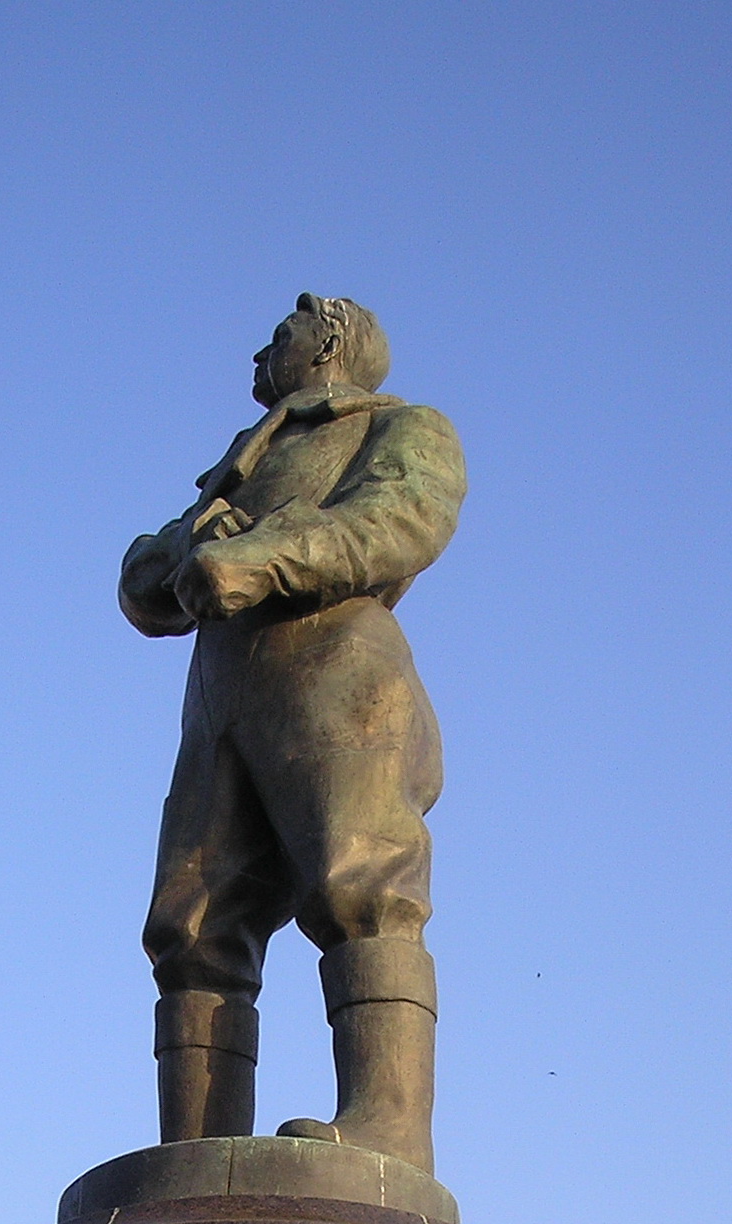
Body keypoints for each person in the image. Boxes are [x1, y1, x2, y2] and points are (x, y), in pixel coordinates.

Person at [119, 294, 467, 1174]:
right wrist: (196, 551)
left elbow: (400, 522)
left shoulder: (400, 426)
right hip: (223, 699)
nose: (262, 348)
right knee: (191, 928)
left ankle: (389, 1125)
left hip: (338, 675)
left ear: (331, 339)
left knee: (364, 885)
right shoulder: (240, 463)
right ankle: (194, 1157)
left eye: (282, 333)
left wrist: (262, 553)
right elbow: (143, 578)